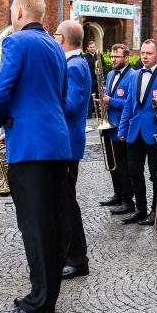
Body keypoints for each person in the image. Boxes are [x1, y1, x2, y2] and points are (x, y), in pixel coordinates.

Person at [0, 0, 71, 313]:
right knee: (52, 224)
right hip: (56, 142)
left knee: (35, 226)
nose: (11, 14)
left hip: (30, 144)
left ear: (20, 13)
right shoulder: (56, 45)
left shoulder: (15, 42)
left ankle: (40, 303)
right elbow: (62, 95)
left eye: (11, 9)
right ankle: (45, 295)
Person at [118, 39, 157, 226]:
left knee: (156, 175)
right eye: (142, 53)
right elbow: (129, 103)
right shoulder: (134, 75)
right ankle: (141, 209)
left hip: (155, 134)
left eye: (149, 53)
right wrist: (123, 127)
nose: (144, 56)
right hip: (134, 131)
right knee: (134, 172)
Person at [54, 20, 92, 280]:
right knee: (63, 202)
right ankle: (68, 253)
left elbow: (72, 105)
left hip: (68, 143)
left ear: (62, 39)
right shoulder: (73, 64)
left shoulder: (75, 66)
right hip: (67, 141)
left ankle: (78, 259)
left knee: (67, 204)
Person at [98, 44, 137, 214]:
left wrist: (110, 101)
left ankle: (128, 200)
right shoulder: (110, 74)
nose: (113, 59)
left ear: (126, 58)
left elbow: (131, 103)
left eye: (117, 57)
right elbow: (107, 95)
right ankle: (118, 194)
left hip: (122, 126)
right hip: (109, 125)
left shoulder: (133, 76)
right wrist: (102, 103)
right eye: (112, 56)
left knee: (123, 166)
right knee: (113, 164)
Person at [84, 40, 104, 119]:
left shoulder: (99, 55)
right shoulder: (85, 57)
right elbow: (86, 68)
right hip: (91, 78)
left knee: (99, 94)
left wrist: (100, 70)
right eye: (91, 47)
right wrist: (94, 71)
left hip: (98, 78)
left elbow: (104, 65)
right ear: (88, 48)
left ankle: (99, 112)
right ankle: (89, 113)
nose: (93, 48)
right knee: (90, 95)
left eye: (94, 47)